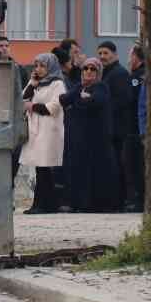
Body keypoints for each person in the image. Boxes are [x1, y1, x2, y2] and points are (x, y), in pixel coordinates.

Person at [59, 58, 120, 212]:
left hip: (97, 139)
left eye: (93, 69)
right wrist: (81, 97)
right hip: (81, 138)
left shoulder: (101, 86)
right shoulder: (79, 86)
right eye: (85, 68)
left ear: (99, 72)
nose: (88, 72)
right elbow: (63, 99)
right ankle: (81, 203)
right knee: (81, 171)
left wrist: (79, 101)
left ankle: (96, 205)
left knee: (97, 171)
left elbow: (96, 101)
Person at [20, 53, 67, 213]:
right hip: (36, 129)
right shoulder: (36, 82)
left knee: (44, 167)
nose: (38, 69)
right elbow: (22, 100)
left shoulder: (57, 84)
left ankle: (42, 205)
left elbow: (53, 107)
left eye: (42, 66)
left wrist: (32, 106)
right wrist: (32, 85)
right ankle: (45, 204)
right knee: (40, 168)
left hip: (49, 130)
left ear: (50, 67)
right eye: (36, 66)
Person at [98, 41, 133, 211]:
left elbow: (123, 100)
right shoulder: (107, 73)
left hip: (117, 130)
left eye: (106, 53)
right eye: (100, 53)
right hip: (110, 128)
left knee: (117, 166)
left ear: (115, 54)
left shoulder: (119, 73)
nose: (102, 57)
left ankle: (119, 201)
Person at [126, 46, 146, 213]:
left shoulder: (137, 76)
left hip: (135, 129)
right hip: (138, 128)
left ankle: (139, 201)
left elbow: (134, 103)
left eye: (130, 55)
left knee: (137, 166)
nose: (128, 60)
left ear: (136, 57)